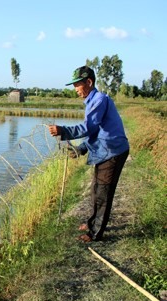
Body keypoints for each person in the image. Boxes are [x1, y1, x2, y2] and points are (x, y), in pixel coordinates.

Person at [48, 65, 129, 242]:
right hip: (104, 149)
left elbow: (88, 127)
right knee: (95, 190)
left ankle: (95, 233)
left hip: (113, 151)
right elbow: (96, 132)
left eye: (77, 85)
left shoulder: (99, 100)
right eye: (74, 85)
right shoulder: (92, 102)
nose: (75, 89)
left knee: (103, 193)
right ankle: (92, 222)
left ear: (89, 82)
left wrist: (63, 130)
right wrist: (81, 148)